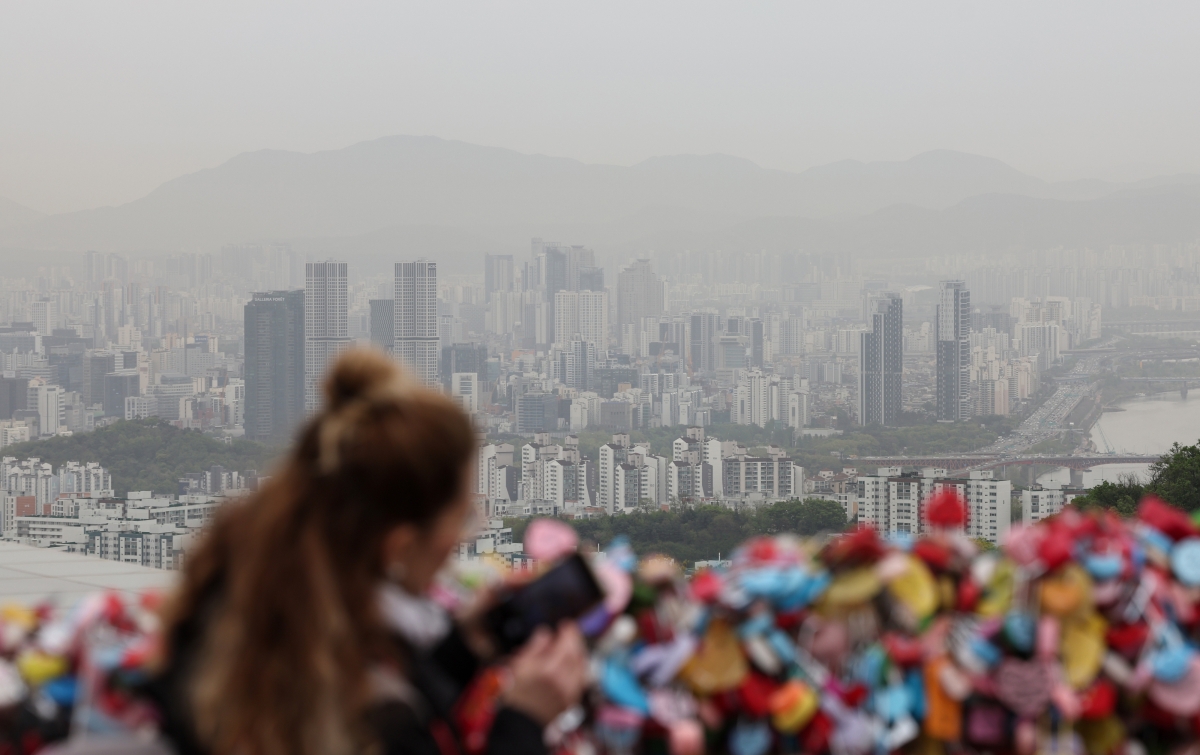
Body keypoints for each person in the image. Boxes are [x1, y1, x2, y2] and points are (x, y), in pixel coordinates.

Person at [144, 349, 590, 755]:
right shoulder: (379, 722)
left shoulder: (241, 604)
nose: (464, 538)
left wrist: (461, 649)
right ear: (398, 545)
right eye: (463, 517)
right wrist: (524, 723)